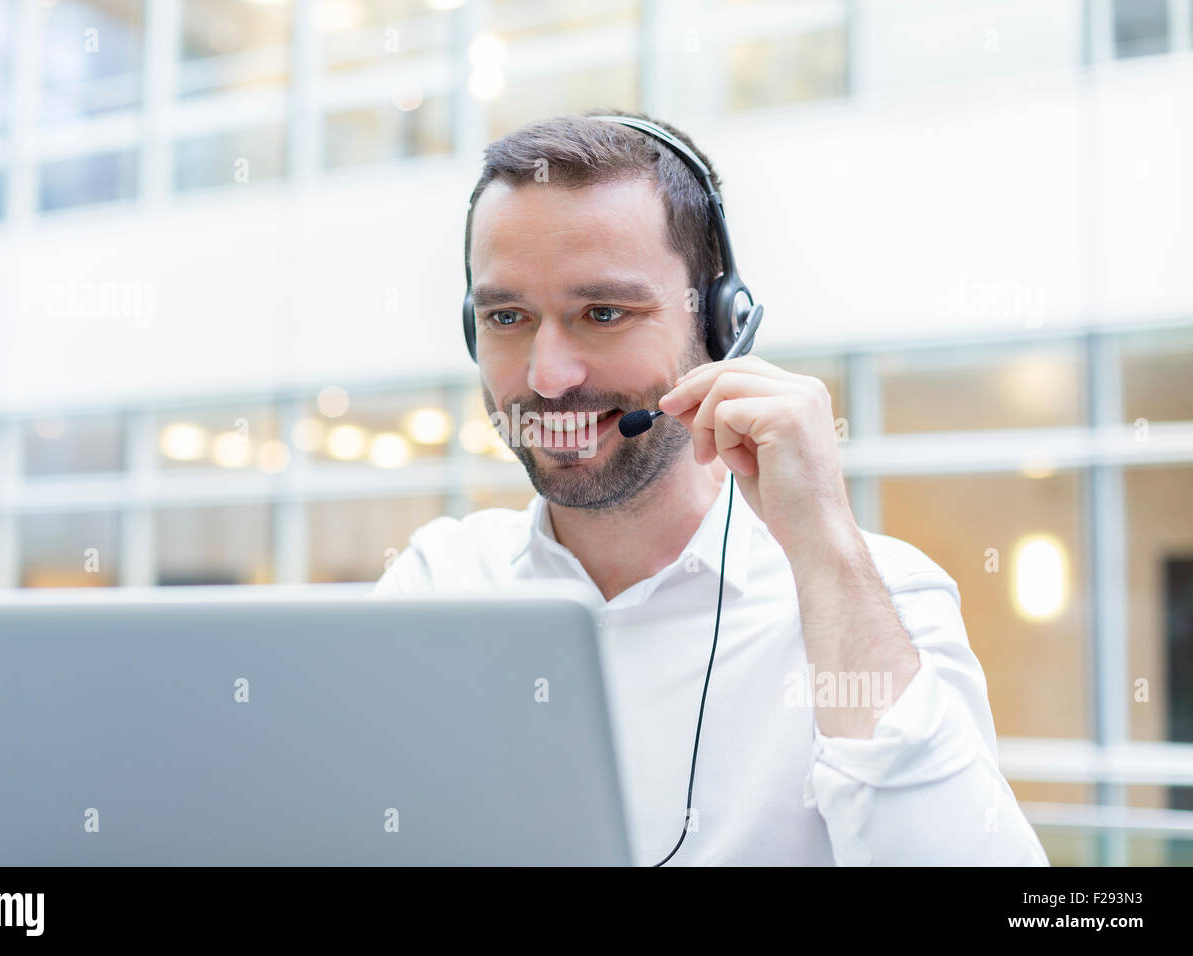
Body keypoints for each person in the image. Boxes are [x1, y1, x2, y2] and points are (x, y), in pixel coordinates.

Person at [371, 108, 1049, 867]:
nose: (546, 376)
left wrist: (823, 546)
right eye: (506, 316)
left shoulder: (875, 597)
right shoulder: (438, 582)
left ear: (721, 329)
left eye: (603, 313)